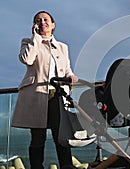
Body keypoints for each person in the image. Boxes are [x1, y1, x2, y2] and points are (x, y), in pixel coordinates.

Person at [11, 11, 78, 169]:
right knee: (37, 137)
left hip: (58, 96)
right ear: (34, 25)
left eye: (46, 19)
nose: (42, 22)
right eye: (38, 20)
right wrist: (36, 39)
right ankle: (36, 167)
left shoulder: (63, 47)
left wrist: (71, 76)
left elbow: (67, 69)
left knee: (61, 135)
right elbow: (27, 59)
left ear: (53, 25)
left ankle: (67, 166)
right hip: (36, 96)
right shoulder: (28, 41)